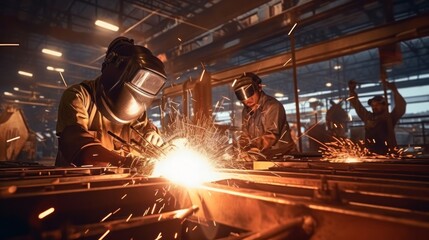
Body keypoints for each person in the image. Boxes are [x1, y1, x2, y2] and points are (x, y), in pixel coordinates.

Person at [55, 37, 166, 167]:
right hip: (75, 183)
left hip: (119, 183)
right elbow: (78, 146)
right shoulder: (79, 96)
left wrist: (154, 139)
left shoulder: (137, 111)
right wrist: (125, 161)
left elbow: (148, 135)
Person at [233, 72, 298, 159]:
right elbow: (245, 136)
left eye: (249, 92)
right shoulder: (245, 111)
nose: (247, 99)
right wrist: (239, 149)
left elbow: (271, 136)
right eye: (242, 95)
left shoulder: (273, 106)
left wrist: (252, 150)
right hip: (263, 157)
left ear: (259, 87)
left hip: (283, 157)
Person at [348, 79, 406, 155]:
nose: (374, 107)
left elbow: (401, 106)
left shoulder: (389, 118)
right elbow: (356, 105)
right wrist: (352, 91)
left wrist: (394, 90)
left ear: (384, 105)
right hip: (370, 153)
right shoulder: (368, 117)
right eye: (372, 105)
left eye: (377, 105)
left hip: (388, 153)